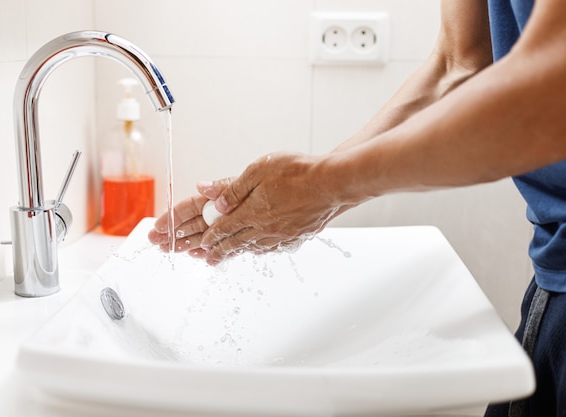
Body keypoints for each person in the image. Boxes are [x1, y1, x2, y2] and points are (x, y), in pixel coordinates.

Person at [149, 0, 566, 415]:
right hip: (553, 272)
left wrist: (324, 186)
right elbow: (460, 66)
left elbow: (547, 97)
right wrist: (315, 189)